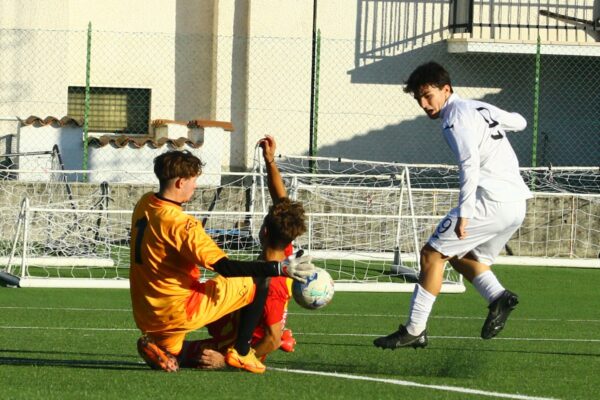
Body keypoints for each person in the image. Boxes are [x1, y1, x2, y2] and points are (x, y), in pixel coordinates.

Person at [374, 61, 531, 350]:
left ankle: (414, 329)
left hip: (489, 201)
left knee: (431, 255)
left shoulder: (454, 118)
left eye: (428, 95)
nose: (424, 104)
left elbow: (469, 164)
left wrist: (465, 213)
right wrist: (500, 120)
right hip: (516, 204)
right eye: (418, 98)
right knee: (458, 256)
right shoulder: (478, 108)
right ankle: (498, 297)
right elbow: (520, 122)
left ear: (446, 89)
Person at [130, 148, 315, 374]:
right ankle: (241, 353)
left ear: (265, 231)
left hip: (147, 310)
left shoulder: (145, 203)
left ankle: (161, 349)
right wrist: (279, 268)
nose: (195, 187)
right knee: (258, 276)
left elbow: (281, 202)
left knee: (178, 351)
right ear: (180, 183)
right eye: (193, 181)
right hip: (181, 309)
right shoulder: (182, 225)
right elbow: (226, 268)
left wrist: (270, 161)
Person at [177, 135, 305, 369]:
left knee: (171, 354)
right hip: (235, 325)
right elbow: (281, 200)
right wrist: (269, 161)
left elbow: (272, 339)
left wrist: (226, 361)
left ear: (264, 231)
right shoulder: (284, 250)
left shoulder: (273, 284)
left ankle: (230, 355)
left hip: (236, 347)